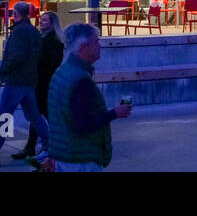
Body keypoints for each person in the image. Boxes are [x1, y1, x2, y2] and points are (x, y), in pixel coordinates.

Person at [0, 2, 51, 168]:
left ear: (15, 14)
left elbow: (15, 56)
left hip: (16, 80)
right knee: (35, 116)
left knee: (4, 117)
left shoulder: (18, 32)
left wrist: (4, 71)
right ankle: (50, 146)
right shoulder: (34, 32)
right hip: (29, 80)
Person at [45, 23, 132, 172]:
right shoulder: (80, 80)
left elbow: (57, 117)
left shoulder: (62, 71)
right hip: (80, 159)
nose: (100, 46)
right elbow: (82, 124)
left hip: (64, 155)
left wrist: (54, 153)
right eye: (96, 41)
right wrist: (115, 113)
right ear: (84, 47)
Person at [16, 10, 63, 165]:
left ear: (52, 24)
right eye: (41, 20)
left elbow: (51, 63)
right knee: (38, 116)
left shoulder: (53, 41)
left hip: (45, 83)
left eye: (45, 21)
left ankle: (48, 146)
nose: (41, 23)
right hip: (40, 82)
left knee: (40, 116)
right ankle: (33, 146)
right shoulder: (43, 39)